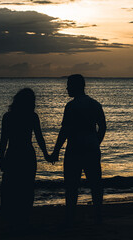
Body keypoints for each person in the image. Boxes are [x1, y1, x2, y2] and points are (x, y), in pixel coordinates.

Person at [51, 74, 106, 225]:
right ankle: (98, 215)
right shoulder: (95, 104)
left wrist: (56, 151)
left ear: (77, 86)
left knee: (71, 185)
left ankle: (70, 217)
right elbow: (102, 127)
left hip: (75, 148)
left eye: (69, 85)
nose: (67, 88)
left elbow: (65, 131)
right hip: (91, 147)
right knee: (95, 183)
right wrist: (96, 141)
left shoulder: (71, 106)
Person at [0, 88, 49, 230]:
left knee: (11, 187)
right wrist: (46, 154)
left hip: (13, 153)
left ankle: (11, 219)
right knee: (26, 187)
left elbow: (4, 140)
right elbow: (39, 138)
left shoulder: (8, 117)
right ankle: (24, 218)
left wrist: (1, 158)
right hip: (27, 154)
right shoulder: (32, 116)